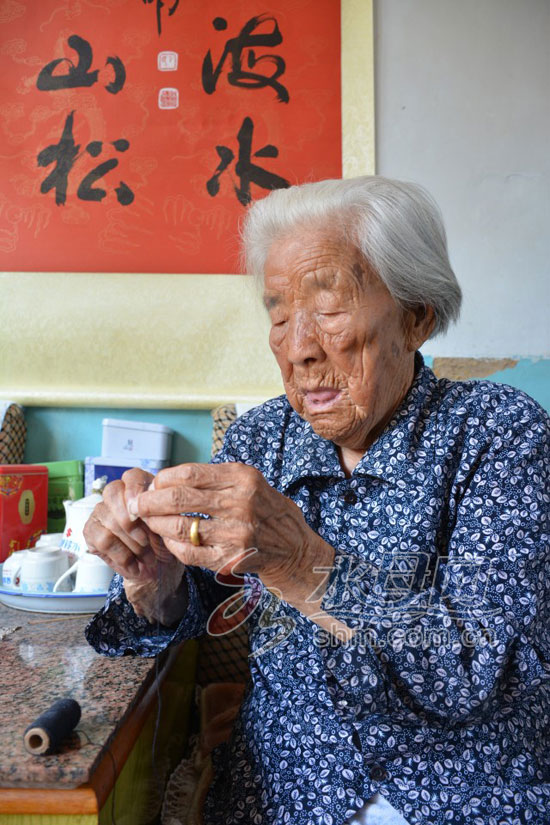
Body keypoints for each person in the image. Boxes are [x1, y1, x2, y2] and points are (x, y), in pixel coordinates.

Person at [85, 176, 550, 825]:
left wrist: (303, 564)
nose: (299, 347)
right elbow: (203, 604)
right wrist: (154, 580)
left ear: (415, 316)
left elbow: (490, 666)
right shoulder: (259, 439)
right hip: (289, 795)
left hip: (466, 796)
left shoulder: (501, 434)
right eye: (279, 316)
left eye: (329, 308)